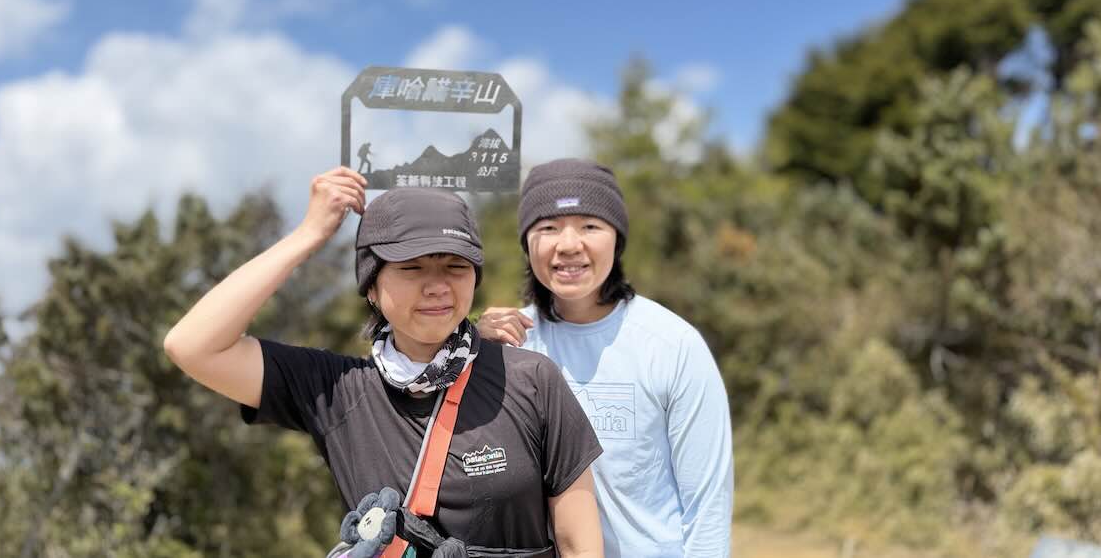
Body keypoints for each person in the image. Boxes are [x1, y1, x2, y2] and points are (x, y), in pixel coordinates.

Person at [164, 167, 604, 557]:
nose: (436, 286)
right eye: (410, 268)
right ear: (371, 286)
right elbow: (192, 345)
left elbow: (580, 544)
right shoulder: (337, 390)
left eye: (455, 266)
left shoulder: (529, 379)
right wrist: (310, 234)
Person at [478, 158, 734, 557]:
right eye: (548, 227)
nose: (568, 244)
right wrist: (468, 343)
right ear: (527, 244)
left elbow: (707, 505)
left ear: (617, 239)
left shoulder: (672, 345)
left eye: (590, 226)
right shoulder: (509, 343)